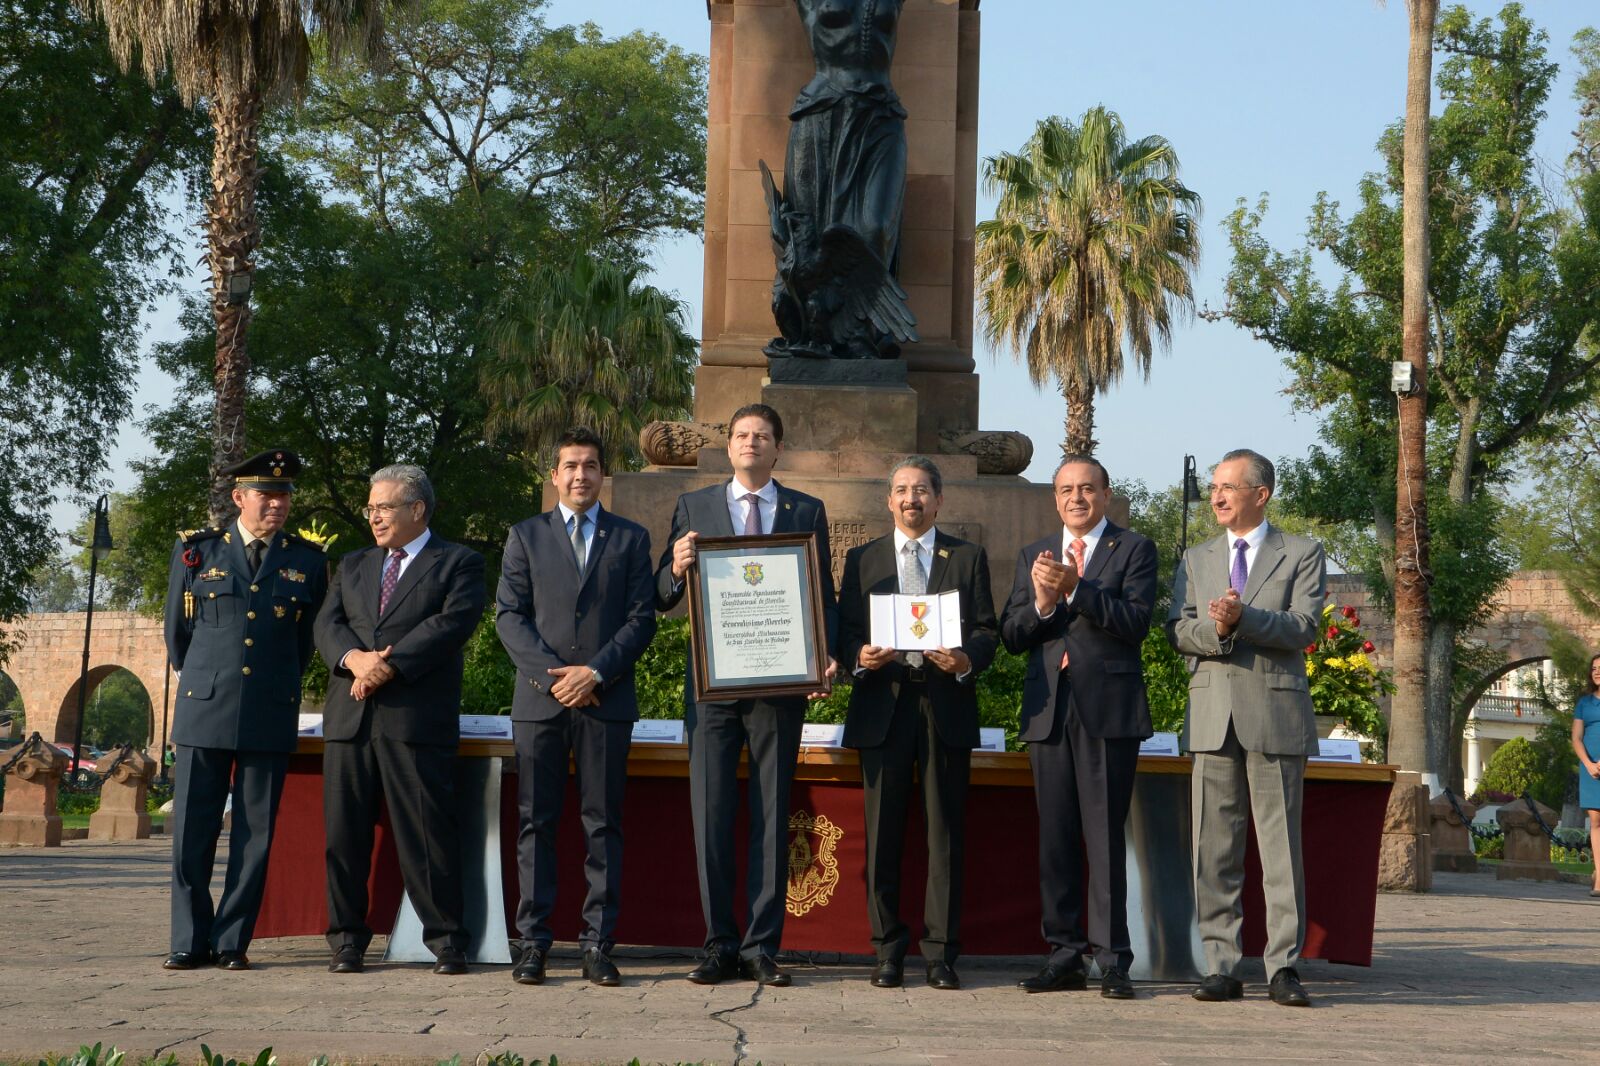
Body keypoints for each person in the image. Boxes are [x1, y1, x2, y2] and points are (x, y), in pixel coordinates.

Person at [655, 403, 838, 986]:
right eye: (741, 434)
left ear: (777, 448)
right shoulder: (695, 506)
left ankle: (762, 946)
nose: (750, 442)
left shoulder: (807, 509)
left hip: (779, 685)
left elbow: (820, 594)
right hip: (712, 687)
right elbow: (660, 591)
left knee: (770, 812)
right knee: (710, 813)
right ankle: (718, 944)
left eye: (762, 435)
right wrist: (677, 568)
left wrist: (822, 657)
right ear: (729, 446)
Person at [496, 428, 656, 987]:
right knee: (535, 823)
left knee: (602, 823)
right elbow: (509, 616)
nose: (580, 475)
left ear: (602, 473)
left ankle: (596, 944)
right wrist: (553, 679)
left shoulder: (631, 538)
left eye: (590, 465)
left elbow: (642, 619)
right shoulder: (525, 535)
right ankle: (533, 943)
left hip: (605, 700)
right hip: (540, 704)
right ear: (554, 474)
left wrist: (595, 673)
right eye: (570, 465)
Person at [1167, 449, 1325, 1008]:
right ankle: (1221, 965)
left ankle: (1283, 967)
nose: (1217, 496)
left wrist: (1245, 619)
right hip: (1212, 716)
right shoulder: (1196, 556)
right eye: (1213, 486)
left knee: (1280, 849)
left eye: (1229, 486)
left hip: (1274, 716)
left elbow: (1304, 627)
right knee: (1214, 847)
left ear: (1261, 494)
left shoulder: (1301, 553)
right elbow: (1179, 629)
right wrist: (1220, 632)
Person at [161, 449, 329, 971]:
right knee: (193, 830)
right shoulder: (197, 552)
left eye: (284, 495)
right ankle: (189, 940)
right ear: (239, 498)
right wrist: (213, 681)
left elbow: (304, 644)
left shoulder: (307, 560)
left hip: (267, 711)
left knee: (255, 836)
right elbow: (178, 640)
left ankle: (232, 941)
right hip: (204, 708)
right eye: (266, 494)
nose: (277, 504)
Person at [314, 464, 485, 976]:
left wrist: (387, 665)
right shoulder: (353, 564)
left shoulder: (458, 562)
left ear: (417, 509)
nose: (375, 517)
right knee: (344, 838)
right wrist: (355, 660)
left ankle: (447, 940)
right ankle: (346, 940)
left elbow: (450, 624)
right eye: (371, 508)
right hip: (351, 719)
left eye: (385, 507)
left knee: (426, 836)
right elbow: (328, 623)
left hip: (415, 720)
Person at [836, 457, 997, 990]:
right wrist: (860, 654)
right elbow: (844, 633)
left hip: (943, 705)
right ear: (888, 500)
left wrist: (966, 658)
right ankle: (886, 951)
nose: (912, 499)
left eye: (922, 490)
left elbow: (987, 630)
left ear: (939, 499)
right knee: (882, 834)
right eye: (902, 490)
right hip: (883, 705)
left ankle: (940, 954)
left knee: (944, 834)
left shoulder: (967, 557)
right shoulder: (862, 560)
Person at [999, 456, 1156, 999]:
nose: (1076, 499)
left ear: (1106, 494)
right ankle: (1064, 953)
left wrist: (1076, 589)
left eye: (1087, 489)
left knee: (1103, 836)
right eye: (1066, 490)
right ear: (1055, 498)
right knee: (1056, 838)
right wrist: (1044, 603)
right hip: (1049, 711)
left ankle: (1112, 958)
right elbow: (1012, 634)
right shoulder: (1032, 554)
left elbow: (1135, 623)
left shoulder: (1134, 549)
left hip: (1107, 711)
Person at [1570, 653, 1600, 897]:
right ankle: (1599, 878)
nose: (1597, 672)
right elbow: (1576, 738)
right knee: (1596, 821)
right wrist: (1589, 764)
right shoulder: (1584, 703)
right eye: (1594, 668)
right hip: (1591, 769)